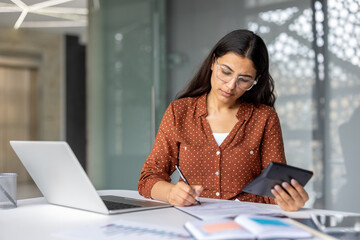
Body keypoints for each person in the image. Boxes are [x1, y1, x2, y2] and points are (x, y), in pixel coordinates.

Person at [138, 29, 309, 211]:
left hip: (247, 223)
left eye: (244, 80)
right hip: (193, 223)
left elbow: (273, 190)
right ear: (213, 62)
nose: (231, 86)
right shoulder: (179, 112)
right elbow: (148, 178)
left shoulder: (264, 118)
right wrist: (171, 193)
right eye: (226, 72)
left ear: (256, 80)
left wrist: (289, 200)